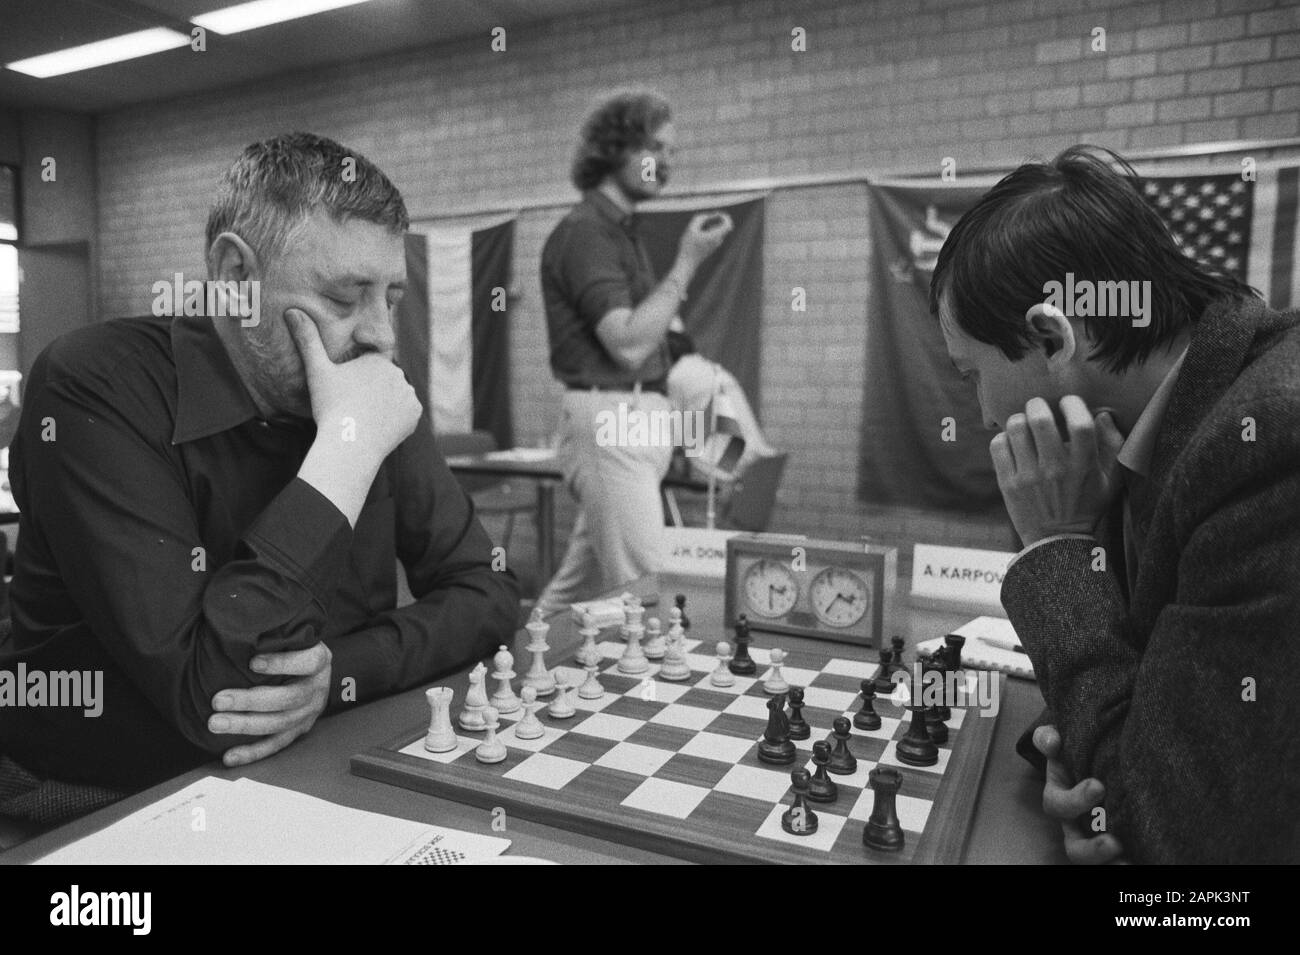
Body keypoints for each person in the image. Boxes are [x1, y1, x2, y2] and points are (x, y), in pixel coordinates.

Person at [0, 133, 519, 818]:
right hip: (110, 801)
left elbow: (489, 588)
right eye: (345, 297)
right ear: (235, 275)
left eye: (391, 297)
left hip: (321, 766)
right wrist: (345, 453)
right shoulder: (94, 386)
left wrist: (340, 672)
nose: (382, 336)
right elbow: (218, 699)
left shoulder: (367, 381)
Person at [930, 145, 1299, 864]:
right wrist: (1100, 774)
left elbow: (1185, 838)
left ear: (1051, 335)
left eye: (971, 374)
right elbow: (1150, 741)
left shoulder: (1269, 444)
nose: (978, 413)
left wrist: (1061, 547)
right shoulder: (1188, 417)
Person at [536, 89, 742, 610]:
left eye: (673, 151)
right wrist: (689, 261)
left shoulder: (621, 233)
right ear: (615, 149)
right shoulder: (585, 232)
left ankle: (517, 666)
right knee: (647, 590)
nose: (667, 163)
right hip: (612, 418)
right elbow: (627, 344)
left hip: (637, 418)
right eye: (656, 147)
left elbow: (651, 342)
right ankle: (658, 688)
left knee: (575, 589)